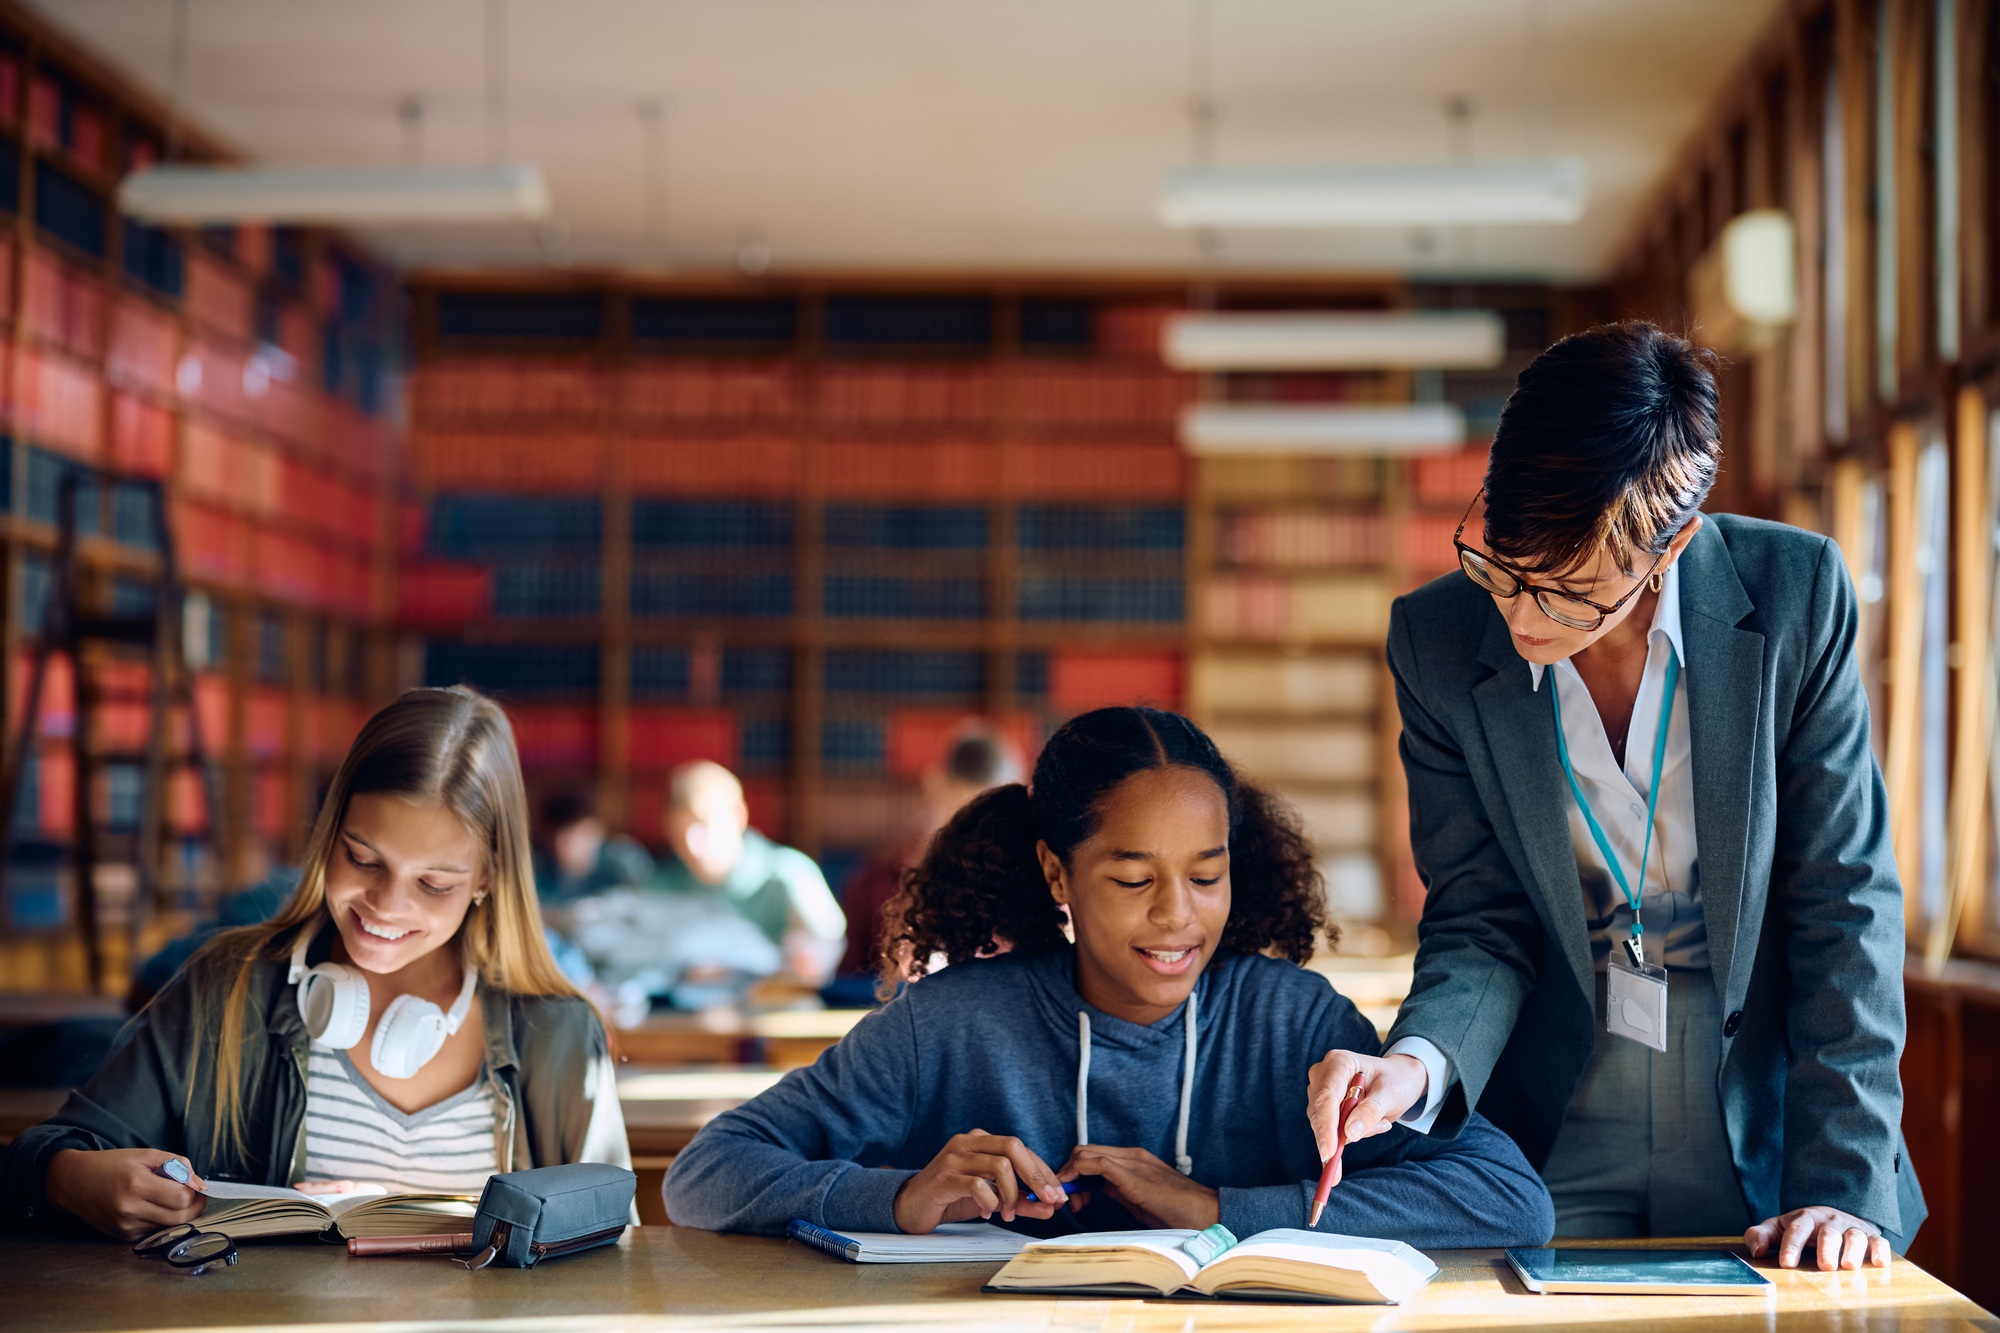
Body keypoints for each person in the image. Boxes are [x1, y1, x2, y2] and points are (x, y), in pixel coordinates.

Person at [1308, 322, 1924, 1272]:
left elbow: (1844, 904)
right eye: (1504, 569)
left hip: (1769, 1115)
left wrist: (1840, 1186)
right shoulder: (1434, 639)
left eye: (1565, 595)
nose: (1517, 620)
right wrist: (1416, 1061)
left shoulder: (1796, 595)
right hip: (1552, 1121)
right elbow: (1480, 917)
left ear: (1670, 545)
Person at [661, 706, 1554, 1246]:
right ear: (1059, 875)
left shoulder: (1287, 1021)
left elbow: (1508, 1198)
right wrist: (896, 1196)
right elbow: (704, 1172)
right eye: (1133, 879)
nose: (1178, 914)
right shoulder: (952, 1024)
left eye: (1207, 875)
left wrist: (1216, 1204)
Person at [0, 686, 631, 1240]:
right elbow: (42, 1155)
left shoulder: (559, 1035)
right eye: (362, 858)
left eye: (434, 884)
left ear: (489, 878)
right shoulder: (227, 986)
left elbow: (614, 1251)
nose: (387, 905)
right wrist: (67, 1177)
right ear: (329, 834)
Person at [821, 723, 1023, 1006]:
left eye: (989, 821)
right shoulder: (874, 883)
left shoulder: (1029, 892)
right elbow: (844, 986)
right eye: (961, 810)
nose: (973, 834)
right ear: (935, 785)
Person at [651, 760, 847, 988]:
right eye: (680, 830)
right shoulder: (657, 884)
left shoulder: (789, 873)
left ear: (738, 814)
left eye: (703, 824)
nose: (692, 844)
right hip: (679, 1018)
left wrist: (801, 960)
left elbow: (825, 946)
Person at [531, 788, 654, 907]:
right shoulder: (538, 870)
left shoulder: (619, 864)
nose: (578, 845)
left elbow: (642, 898)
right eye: (567, 837)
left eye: (585, 834)